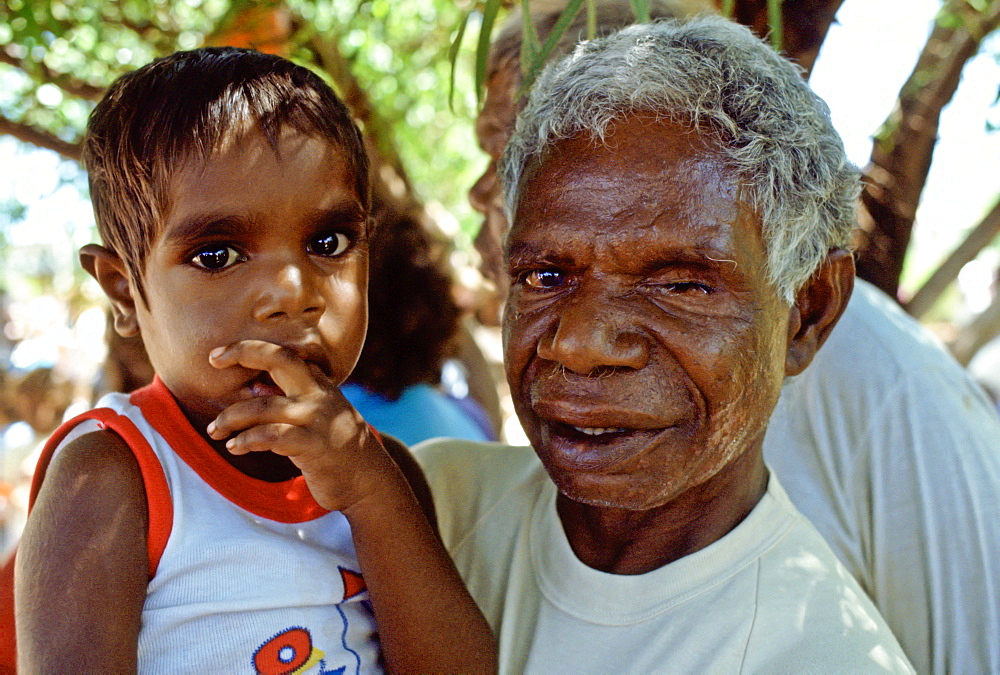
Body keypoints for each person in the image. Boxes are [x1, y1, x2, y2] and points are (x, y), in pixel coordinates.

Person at [466, 3, 1000, 672]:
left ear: (808, 312)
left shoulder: (878, 375)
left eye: (501, 146)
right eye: (548, 271)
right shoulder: (448, 505)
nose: (481, 187)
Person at [13, 47, 496, 673]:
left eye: (329, 242)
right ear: (123, 290)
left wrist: (372, 493)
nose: (293, 290)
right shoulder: (113, 474)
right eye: (217, 255)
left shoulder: (382, 473)